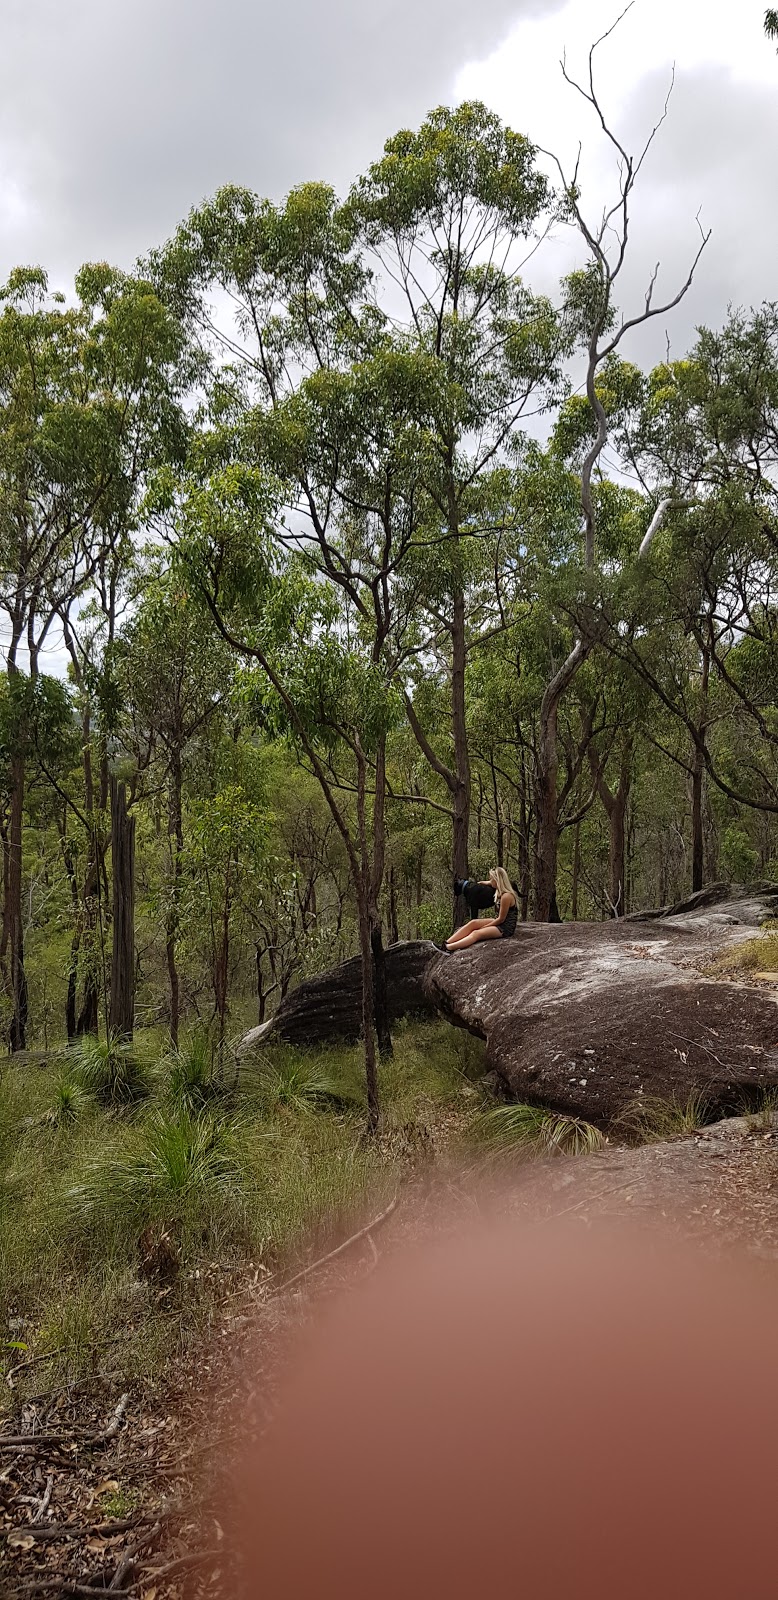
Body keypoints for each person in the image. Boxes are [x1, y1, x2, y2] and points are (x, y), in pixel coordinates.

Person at [443, 867, 518, 951]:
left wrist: (485, 927)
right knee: (473, 923)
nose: (489, 880)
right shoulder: (498, 889)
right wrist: (482, 883)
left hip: (505, 928)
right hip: (500, 923)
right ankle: (447, 942)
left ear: (497, 880)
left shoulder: (506, 896)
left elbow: (501, 919)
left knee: (476, 933)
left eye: (491, 878)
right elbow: (489, 883)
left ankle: (449, 948)